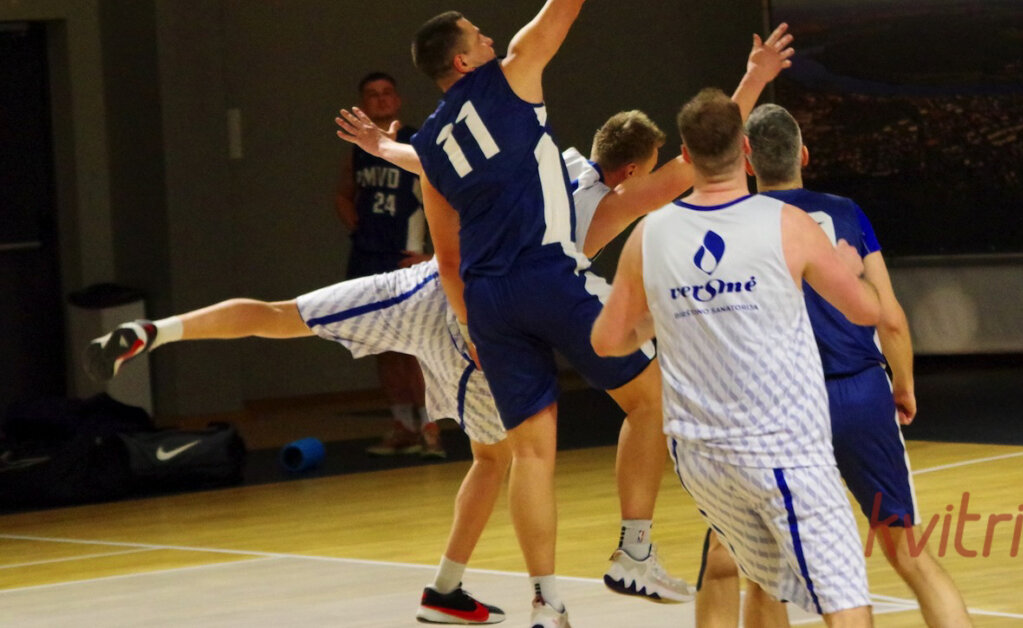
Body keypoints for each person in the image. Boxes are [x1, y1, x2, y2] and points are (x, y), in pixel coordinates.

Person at [85, 31, 790, 627]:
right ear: (630, 168)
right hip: (486, 322)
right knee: (518, 454)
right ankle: (566, 585)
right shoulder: (608, 206)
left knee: (285, 317)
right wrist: (754, 78)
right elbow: (697, 161)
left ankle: (160, 331)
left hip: (440, 294)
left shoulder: (535, 156)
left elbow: (439, 164)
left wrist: (384, 149)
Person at [405, 0, 679, 628]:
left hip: (489, 301)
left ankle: (547, 605)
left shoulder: (428, 148)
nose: (494, 36)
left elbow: (447, 255)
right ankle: (633, 551)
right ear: (464, 59)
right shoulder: (512, 75)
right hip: (547, 275)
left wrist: (474, 326)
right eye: (480, 34)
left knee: (531, 452)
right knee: (651, 401)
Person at [591, 88, 884, 628]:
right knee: (845, 600)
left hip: (703, 462)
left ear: (685, 152)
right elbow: (867, 311)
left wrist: (660, 315)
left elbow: (608, 342)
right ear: (746, 151)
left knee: (763, 581)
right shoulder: (786, 223)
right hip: (784, 449)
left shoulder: (649, 235)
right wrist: (849, 268)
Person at [730, 102, 972, 627]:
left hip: (781, 406)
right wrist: (902, 386)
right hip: (860, 393)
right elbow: (890, 317)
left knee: (766, 575)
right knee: (909, 553)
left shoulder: (735, 224)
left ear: (747, 161)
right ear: (804, 155)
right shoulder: (845, 212)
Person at [333, 71, 442, 459]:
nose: (380, 99)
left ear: (397, 100)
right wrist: (358, 228)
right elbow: (343, 195)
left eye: (386, 93)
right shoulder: (357, 149)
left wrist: (434, 254)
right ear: (362, 104)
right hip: (368, 259)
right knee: (383, 348)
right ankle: (403, 427)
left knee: (412, 348)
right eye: (372, 94)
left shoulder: (417, 142)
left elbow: (445, 199)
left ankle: (430, 429)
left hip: (406, 259)